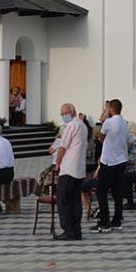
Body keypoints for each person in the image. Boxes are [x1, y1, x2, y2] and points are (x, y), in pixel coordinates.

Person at [92, 99, 129, 233]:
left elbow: (100, 136)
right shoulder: (125, 123)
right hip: (121, 161)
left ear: (111, 109)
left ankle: (104, 221)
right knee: (117, 192)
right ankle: (117, 220)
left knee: (101, 191)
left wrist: (100, 135)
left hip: (109, 161)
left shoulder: (108, 122)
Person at [55, 102, 88, 241]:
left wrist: (57, 162)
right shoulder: (83, 125)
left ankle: (68, 230)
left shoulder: (71, 126)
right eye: (62, 114)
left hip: (69, 168)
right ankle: (76, 230)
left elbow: (62, 147)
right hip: (79, 168)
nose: (63, 116)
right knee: (75, 201)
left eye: (65, 113)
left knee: (63, 201)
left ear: (72, 112)